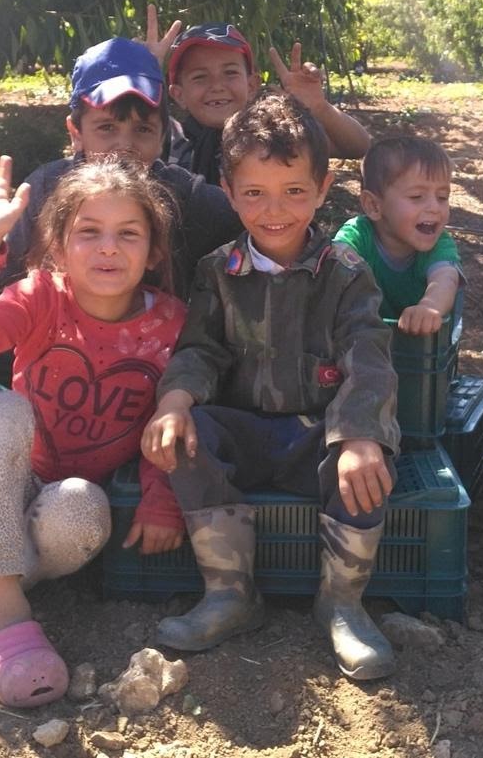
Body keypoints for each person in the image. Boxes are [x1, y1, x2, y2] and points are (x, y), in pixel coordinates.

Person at [140, 92, 401, 681]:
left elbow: (368, 357)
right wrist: (175, 400)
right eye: (253, 193)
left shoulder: (346, 272)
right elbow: (199, 349)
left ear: (323, 185)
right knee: (190, 433)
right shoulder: (217, 271)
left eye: (293, 192)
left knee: (369, 454)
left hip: (317, 438)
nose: (273, 210)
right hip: (247, 432)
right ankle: (231, 593)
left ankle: (342, 603)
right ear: (228, 191)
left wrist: (360, 435)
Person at [0, 154, 189, 708]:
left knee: (84, 502)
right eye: (88, 232)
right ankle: (6, 610)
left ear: (154, 251)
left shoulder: (171, 325)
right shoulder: (41, 296)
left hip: (66, 517)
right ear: (58, 247)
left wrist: (161, 499)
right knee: (1, 408)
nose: (108, 248)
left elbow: (166, 421)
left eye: (128, 234)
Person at [0, 35, 241, 333]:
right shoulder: (49, 187)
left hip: (151, 376)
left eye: (142, 130)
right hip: (54, 362)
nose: (124, 145)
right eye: (107, 128)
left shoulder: (185, 197)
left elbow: (262, 223)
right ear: (76, 132)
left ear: (164, 136)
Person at [144, 13, 370, 186]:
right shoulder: (167, 140)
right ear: (178, 95)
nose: (217, 86)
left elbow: (357, 146)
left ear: (252, 85)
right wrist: (144, 75)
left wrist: (320, 108)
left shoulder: (272, 134)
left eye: (230, 72)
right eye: (200, 77)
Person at [333, 135, 463, 335]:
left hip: (416, 348)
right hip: (356, 338)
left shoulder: (440, 246)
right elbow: (336, 261)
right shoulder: (358, 235)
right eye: (417, 197)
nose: (434, 208)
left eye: (442, 197)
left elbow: (446, 279)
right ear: (374, 206)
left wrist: (430, 307)